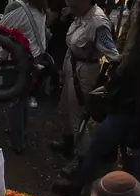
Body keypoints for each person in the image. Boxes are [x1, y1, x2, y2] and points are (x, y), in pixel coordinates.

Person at [52, 0, 140, 196]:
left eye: (137, 15)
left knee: (101, 148)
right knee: (123, 158)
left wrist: (138, 131)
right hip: (125, 109)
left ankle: (79, 186)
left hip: (127, 112)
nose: (132, 18)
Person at [48, 0, 119, 160]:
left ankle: (82, 158)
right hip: (71, 64)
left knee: (78, 116)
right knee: (65, 108)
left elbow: (113, 55)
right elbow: (72, 46)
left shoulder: (98, 23)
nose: (69, 7)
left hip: (85, 71)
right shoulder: (80, 15)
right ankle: (67, 144)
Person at [0, 0, 48, 108]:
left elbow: (1, 33)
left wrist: (2, 58)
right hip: (38, 55)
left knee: (17, 102)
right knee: (24, 96)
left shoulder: (16, 6)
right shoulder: (41, 6)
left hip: (22, 58)